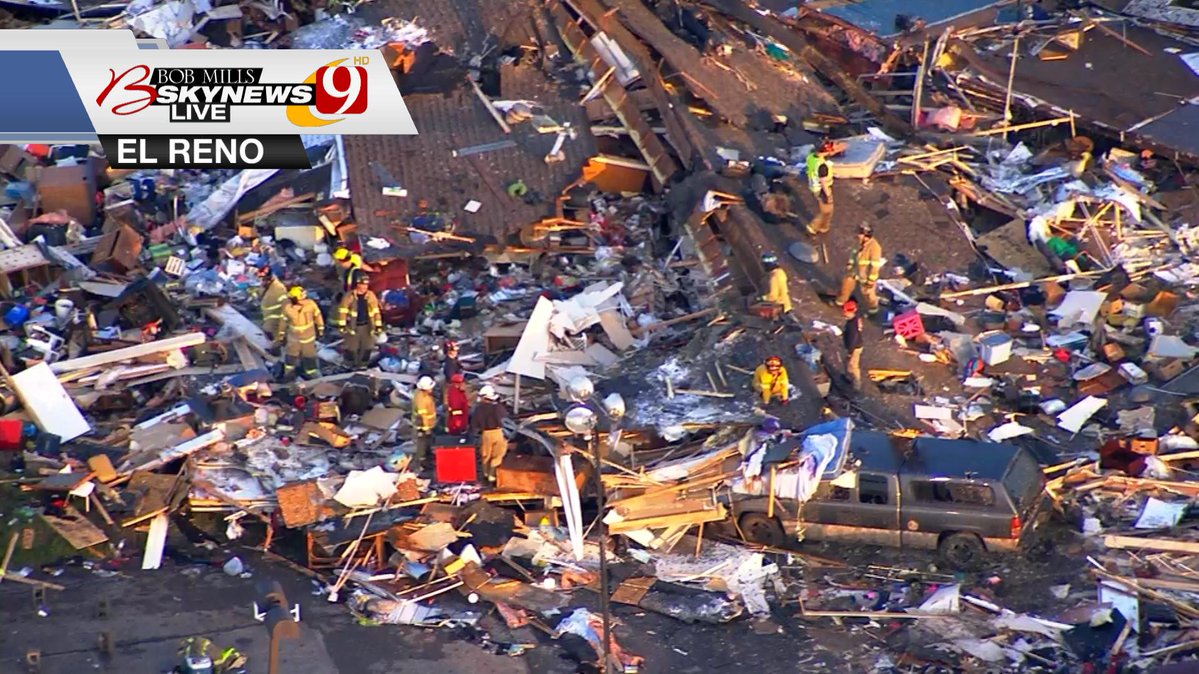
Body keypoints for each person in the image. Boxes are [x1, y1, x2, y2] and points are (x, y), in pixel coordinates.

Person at [334, 271, 384, 368]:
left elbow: (376, 311)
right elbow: (342, 311)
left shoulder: (371, 295)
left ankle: (363, 365)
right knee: (352, 347)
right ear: (357, 284)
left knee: (367, 346)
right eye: (362, 284)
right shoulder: (349, 296)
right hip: (353, 326)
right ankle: (349, 364)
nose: (364, 287)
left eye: (366, 285)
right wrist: (342, 326)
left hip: (367, 326)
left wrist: (378, 325)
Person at [275, 286, 324, 380]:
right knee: (291, 357)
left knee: (309, 357)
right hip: (295, 338)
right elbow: (283, 321)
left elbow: (318, 316)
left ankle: (313, 375)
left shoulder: (310, 304)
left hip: (307, 337)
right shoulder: (288, 308)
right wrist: (281, 335)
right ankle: (289, 375)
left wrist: (321, 328)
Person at [835, 224, 883, 315]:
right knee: (847, 284)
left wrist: (871, 281)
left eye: (860, 234)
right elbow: (854, 253)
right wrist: (850, 264)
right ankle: (841, 301)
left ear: (866, 236)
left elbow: (875, 267)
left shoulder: (875, 248)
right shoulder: (859, 242)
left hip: (865, 276)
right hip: (855, 271)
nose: (858, 235)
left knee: (868, 294)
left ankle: (873, 309)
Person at [471, 385, 509, 482]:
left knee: (486, 455)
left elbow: (474, 424)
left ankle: (485, 474)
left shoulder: (478, 409)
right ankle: (492, 476)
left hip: (486, 434)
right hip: (497, 433)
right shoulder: (498, 408)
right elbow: (504, 420)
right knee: (497, 455)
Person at [806, 140, 835, 235]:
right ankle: (813, 227)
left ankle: (824, 226)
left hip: (813, 186)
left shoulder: (811, 157)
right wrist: (828, 194)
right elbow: (823, 181)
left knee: (825, 209)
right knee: (827, 210)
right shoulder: (822, 166)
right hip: (822, 189)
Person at [411, 376, 437, 470]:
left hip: (428, 425)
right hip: (422, 427)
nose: (432, 389)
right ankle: (422, 463)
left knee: (427, 444)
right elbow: (423, 415)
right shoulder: (421, 399)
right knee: (422, 446)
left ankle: (428, 457)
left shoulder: (424, 395)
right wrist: (427, 428)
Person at [258, 264, 287, 338]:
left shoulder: (279, 288)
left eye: (264, 279)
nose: (262, 281)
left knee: (275, 335)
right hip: (267, 316)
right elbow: (261, 294)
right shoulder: (265, 285)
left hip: (276, 318)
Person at [843, 299, 864, 392]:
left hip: (855, 347)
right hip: (856, 345)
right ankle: (848, 377)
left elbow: (853, 340)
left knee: (853, 365)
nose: (844, 313)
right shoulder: (856, 318)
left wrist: (850, 352)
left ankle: (856, 385)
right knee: (848, 363)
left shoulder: (852, 326)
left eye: (846, 312)